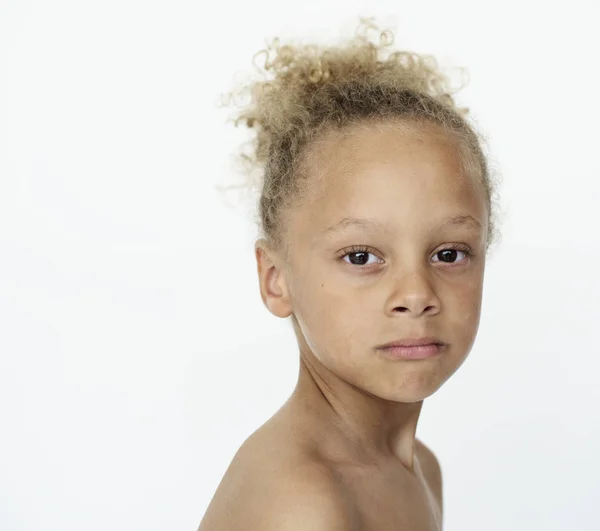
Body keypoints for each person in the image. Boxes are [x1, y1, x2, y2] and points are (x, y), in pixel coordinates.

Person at [198, 16, 501, 531]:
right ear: (276, 279)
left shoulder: (420, 469)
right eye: (361, 257)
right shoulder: (304, 503)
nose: (415, 295)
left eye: (449, 254)